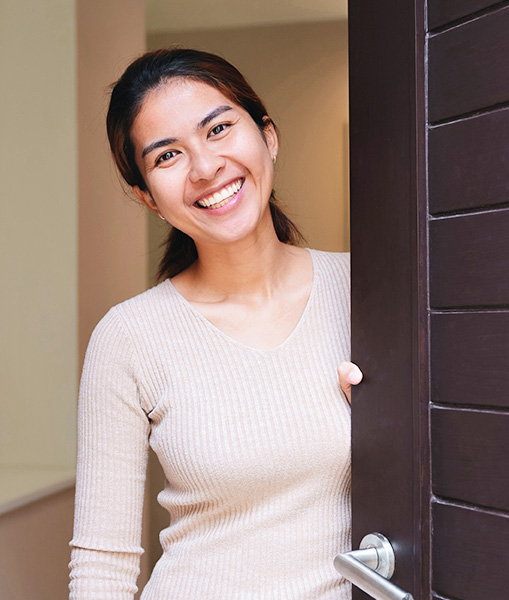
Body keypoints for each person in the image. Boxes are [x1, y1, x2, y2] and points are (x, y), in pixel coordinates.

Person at [69, 48, 363, 600]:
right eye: (167, 157)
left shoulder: (368, 293)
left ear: (267, 136)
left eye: (220, 129)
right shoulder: (129, 337)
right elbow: (102, 568)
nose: (206, 168)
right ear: (146, 196)